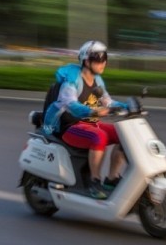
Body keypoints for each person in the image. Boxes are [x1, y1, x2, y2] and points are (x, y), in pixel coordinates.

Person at [42, 40, 127, 199]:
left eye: (105, 57)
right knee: (99, 136)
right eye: (98, 58)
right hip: (69, 126)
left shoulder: (97, 81)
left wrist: (128, 106)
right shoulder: (73, 81)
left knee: (124, 134)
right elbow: (70, 104)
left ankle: (112, 178)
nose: (103, 62)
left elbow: (107, 102)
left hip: (89, 123)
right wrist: (92, 111)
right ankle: (93, 182)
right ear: (86, 61)